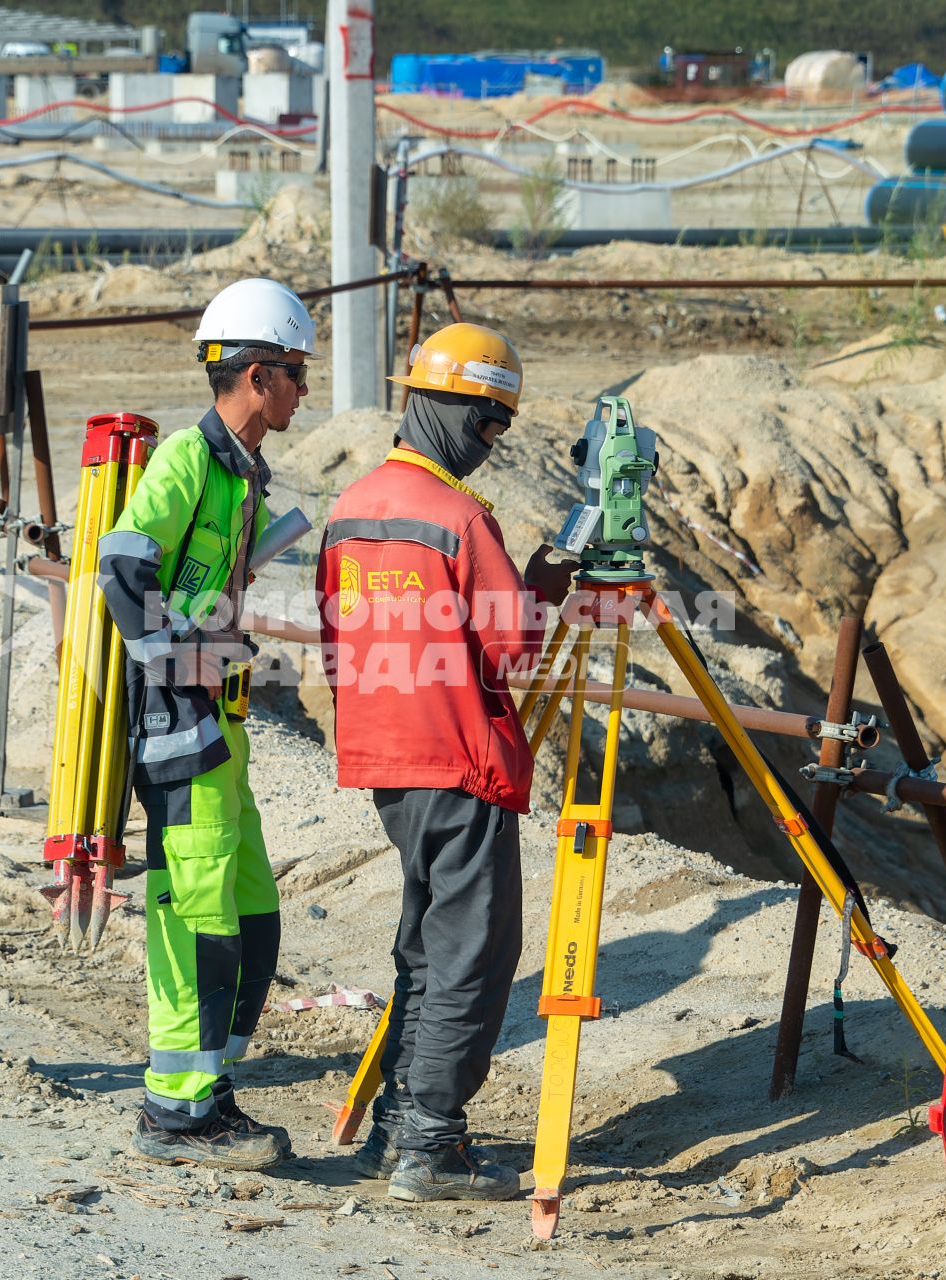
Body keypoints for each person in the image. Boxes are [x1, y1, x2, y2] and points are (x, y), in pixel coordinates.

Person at [316, 323, 575, 1201]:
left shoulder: (350, 508)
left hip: (385, 756)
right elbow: (515, 648)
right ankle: (431, 1142)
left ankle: (399, 1124)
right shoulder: (461, 519)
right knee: (472, 949)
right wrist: (546, 580)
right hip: (459, 757)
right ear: (455, 408)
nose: (492, 445)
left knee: (428, 946)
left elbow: (334, 645)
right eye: (492, 424)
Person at [99, 277, 315, 1169]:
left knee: (251, 914)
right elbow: (121, 567)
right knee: (194, 915)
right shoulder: (191, 459)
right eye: (297, 372)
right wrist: (182, 654)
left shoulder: (240, 472)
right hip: (179, 728)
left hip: (218, 730)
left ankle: (212, 1087)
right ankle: (178, 1111)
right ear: (257, 375)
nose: (305, 389)